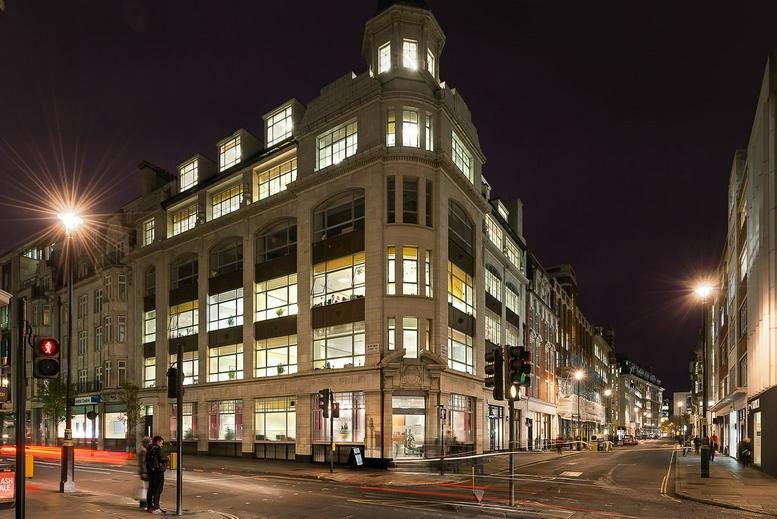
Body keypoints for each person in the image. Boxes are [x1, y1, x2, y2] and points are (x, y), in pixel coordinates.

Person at [145, 435, 169, 514]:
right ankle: (156, 507)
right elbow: (162, 458)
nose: (162, 445)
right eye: (161, 443)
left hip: (151, 472)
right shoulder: (157, 449)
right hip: (158, 472)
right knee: (158, 489)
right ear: (158, 442)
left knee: (151, 488)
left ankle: (150, 506)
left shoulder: (149, 449)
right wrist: (167, 458)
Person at [137, 437, 151, 509]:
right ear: (146, 443)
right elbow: (142, 463)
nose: (150, 444)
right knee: (145, 488)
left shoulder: (143, 450)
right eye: (149, 443)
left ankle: (143, 503)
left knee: (144, 488)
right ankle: (144, 503)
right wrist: (143, 472)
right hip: (145, 472)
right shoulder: (143, 451)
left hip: (144, 472)